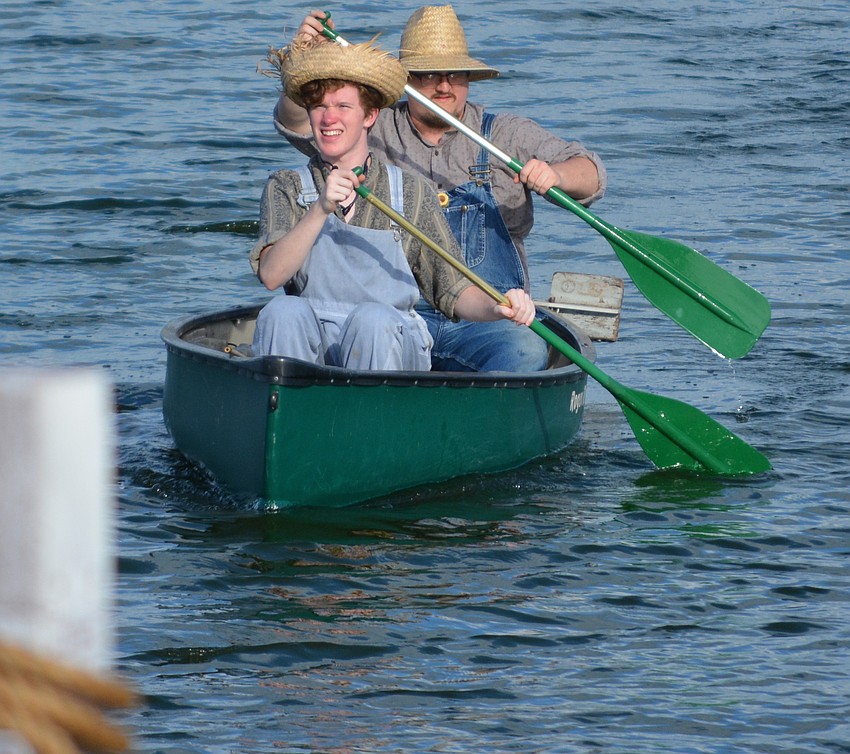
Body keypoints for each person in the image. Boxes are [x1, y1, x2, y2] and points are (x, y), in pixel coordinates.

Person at [272, 5, 607, 372]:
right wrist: (302, 58)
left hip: (482, 320)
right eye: (429, 74)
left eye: (455, 74)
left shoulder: (504, 134)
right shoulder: (371, 125)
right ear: (406, 80)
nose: (443, 86)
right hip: (393, 314)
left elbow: (591, 173)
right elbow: (302, 121)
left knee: (526, 349)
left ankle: (485, 418)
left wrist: (556, 175)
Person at [250, 33, 536, 372]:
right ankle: (288, 414)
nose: (329, 119)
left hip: (391, 339)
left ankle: (374, 418)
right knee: (282, 311)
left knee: (373, 320)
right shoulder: (287, 185)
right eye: (320, 107)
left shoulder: (410, 191)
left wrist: (500, 307)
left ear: (370, 117)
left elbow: (453, 291)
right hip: (316, 341)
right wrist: (320, 210)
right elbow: (271, 276)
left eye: (343, 106)